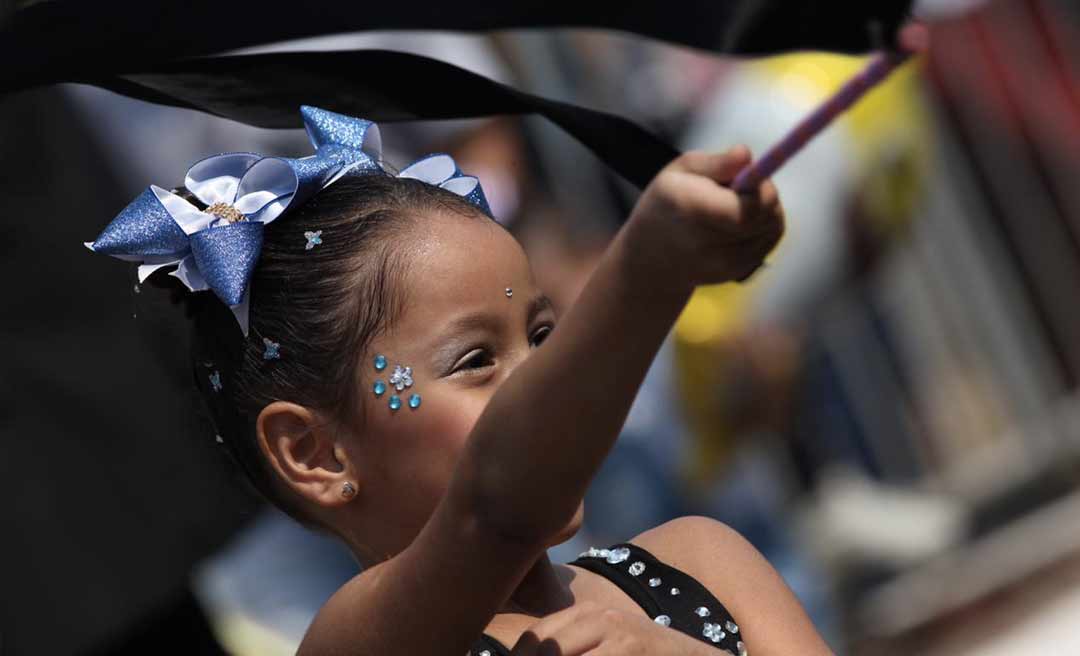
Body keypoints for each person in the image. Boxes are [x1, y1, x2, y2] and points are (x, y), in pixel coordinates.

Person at [87, 106, 830, 655]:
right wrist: (648, 271)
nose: (541, 374)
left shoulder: (702, 559)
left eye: (543, 334)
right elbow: (496, 503)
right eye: (475, 359)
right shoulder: (358, 646)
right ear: (315, 453)